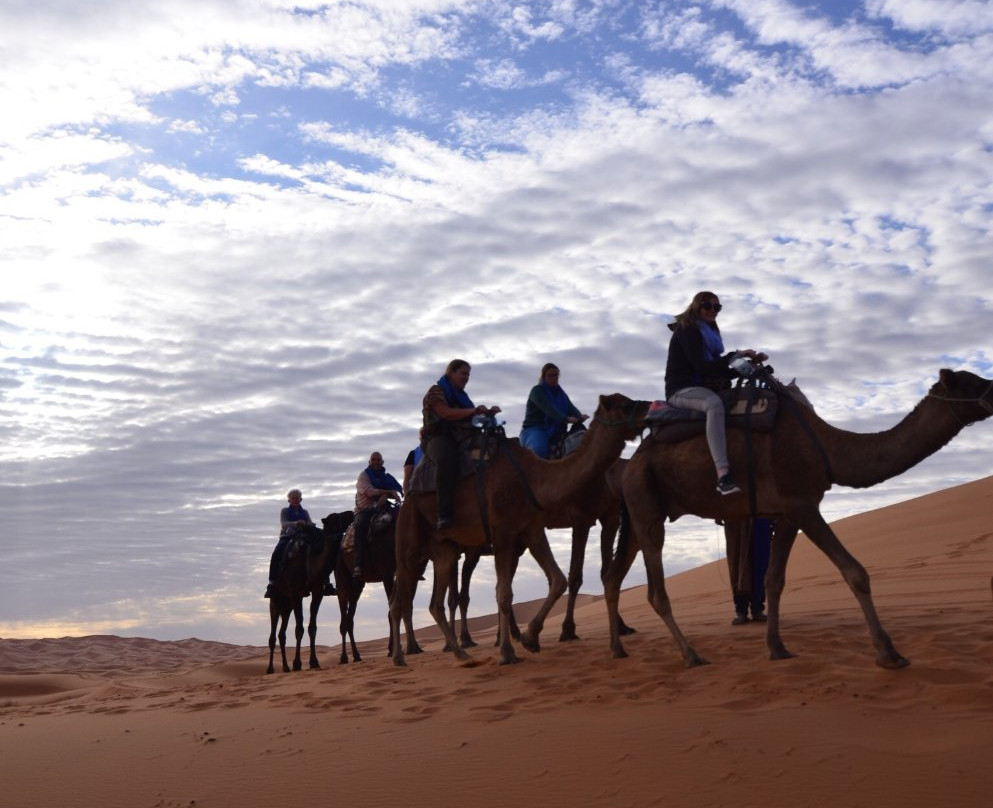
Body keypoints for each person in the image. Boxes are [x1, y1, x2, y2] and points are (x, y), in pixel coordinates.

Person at [664, 291, 767, 495]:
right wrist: (736, 355)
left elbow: (720, 370)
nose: (712, 310)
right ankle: (723, 474)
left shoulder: (710, 337)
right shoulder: (688, 330)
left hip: (703, 386)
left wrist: (749, 366)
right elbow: (703, 368)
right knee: (714, 404)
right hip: (682, 390)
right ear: (696, 306)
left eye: (717, 307)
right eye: (707, 306)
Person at [422, 358, 501, 530]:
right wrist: (474, 411)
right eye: (463, 373)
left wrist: (487, 414)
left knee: (492, 452)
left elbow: (472, 419)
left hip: (463, 437)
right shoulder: (436, 391)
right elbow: (446, 413)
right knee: (447, 458)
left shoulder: (463, 398)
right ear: (451, 372)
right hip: (438, 437)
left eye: (468, 375)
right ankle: (444, 513)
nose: (466, 377)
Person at [519, 363, 589, 459]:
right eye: (550, 375)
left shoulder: (561, 394)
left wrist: (580, 416)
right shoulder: (537, 391)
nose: (554, 378)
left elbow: (571, 408)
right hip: (536, 429)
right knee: (539, 452)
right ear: (544, 376)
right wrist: (566, 419)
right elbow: (548, 409)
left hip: (558, 430)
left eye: (556, 375)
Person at [351, 451, 403, 578]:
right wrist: (389, 492)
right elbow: (370, 492)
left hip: (382, 507)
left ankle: (409, 561)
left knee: (403, 519)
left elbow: (397, 490)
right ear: (369, 462)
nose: (376, 462)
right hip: (365, 510)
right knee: (361, 525)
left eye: (378, 460)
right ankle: (358, 563)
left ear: (382, 462)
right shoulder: (364, 476)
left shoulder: (386, 477)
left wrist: (392, 494)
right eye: (373, 460)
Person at [264, 488, 316, 598]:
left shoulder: (304, 512)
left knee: (317, 549)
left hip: (303, 536)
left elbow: (310, 523)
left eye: (297, 499)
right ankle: (272, 583)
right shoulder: (285, 511)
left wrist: (309, 525)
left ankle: (325, 582)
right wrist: (296, 523)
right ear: (289, 500)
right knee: (276, 554)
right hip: (287, 537)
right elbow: (284, 524)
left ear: (301, 499)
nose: (295, 501)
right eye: (293, 499)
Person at [722, 517, 773, 624]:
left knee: (760, 565)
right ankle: (741, 610)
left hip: (761, 517)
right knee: (738, 566)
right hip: (735, 517)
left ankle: (757, 609)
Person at [402, 429, 425, 496]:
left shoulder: (438, 452)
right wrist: (406, 496)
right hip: (417, 492)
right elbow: (407, 479)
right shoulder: (413, 454)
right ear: (420, 437)